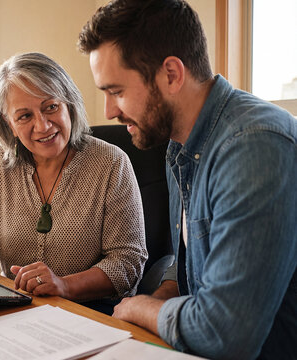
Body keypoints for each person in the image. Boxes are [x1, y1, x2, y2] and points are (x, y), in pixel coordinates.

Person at [78, 0, 296, 359]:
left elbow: (228, 332)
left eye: (116, 91)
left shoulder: (254, 147)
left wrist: (140, 309)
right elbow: (188, 267)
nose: (109, 111)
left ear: (171, 75)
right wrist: (160, 297)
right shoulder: (178, 147)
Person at [0, 52, 147, 310]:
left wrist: (64, 285)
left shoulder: (110, 163)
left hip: (90, 314)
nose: (42, 126)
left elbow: (127, 261)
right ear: (9, 124)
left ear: (69, 105)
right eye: (24, 116)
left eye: (51, 107)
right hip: (17, 311)